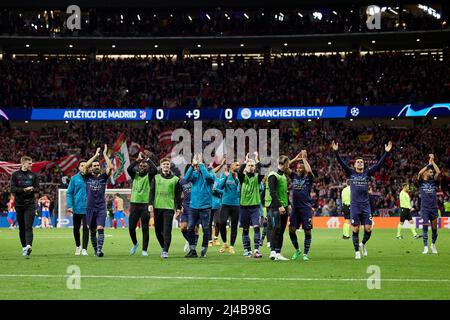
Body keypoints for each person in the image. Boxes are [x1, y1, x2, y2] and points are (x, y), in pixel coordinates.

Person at [332, 140, 392, 260]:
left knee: (368, 228)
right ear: (354, 165)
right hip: (354, 206)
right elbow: (341, 163)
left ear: (364, 165)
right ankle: (356, 252)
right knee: (355, 229)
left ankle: (363, 244)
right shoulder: (351, 173)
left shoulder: (367, 173)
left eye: (361, 162)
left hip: (365, 205)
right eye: (357, 162)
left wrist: (386, 153)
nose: (359, 163)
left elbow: (379, 165)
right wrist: (336, 152)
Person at [81, 145, 113, 258]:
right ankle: (95, 250)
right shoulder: (87, 177)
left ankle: (99, 250)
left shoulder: (103, 177)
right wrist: (95, 155)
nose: (96, 166)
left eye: (97, 165)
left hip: (100, 207)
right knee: (92, 231)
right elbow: (84, 167)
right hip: (89, 207)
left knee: (100, 228)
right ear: (91, 167)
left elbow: (110, 167)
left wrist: (104, 154)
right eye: (94, 165)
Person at [127, 151, 157, 256]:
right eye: (141, 166)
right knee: (131, 228)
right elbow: (128, 169)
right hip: (134, 204)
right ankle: (135, 244)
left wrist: (148, 159)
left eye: (145, 166)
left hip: (145, 205)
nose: (142, 167)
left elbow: (155, 169)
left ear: (147, 168)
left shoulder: (149, 176)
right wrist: (137, 160)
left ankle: (144, 250)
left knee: (145, 228)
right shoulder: (134, 175)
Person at [149, 158, 182, 259]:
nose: (166, 166)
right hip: (157, 207)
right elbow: (152, 191)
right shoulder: (156, 177)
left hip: (168, 208)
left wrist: (178, 207)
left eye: (167, 164)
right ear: (161, 166)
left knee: (167, 230)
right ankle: (164, 246)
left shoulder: (176, 179)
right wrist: (150, 203)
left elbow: (178, 195)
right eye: (164, 164)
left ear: (170, 165)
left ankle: (165, 251)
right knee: (158, 231)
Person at [184, 153, 215, 258]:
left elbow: (207, 178)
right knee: (190, 227)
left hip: (205, 206)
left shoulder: (211, 173)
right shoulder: (195, 174)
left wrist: (201, 165)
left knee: (206, 228)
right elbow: (186, 178)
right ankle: (192, 250)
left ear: (206, 165)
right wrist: (192, 166)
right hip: (194, 206)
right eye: (198, 165)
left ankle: (203, 249)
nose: (198, 167)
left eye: (201, 164)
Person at [10, 156, 40, 258]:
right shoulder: (15, 175)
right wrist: (24, 190)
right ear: (23, 163)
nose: (31, 165)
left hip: (30, 204)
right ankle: (24, 247)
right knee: (21, 227)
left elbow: (37, 189)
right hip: (19, 204)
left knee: (28, 226)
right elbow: (12, 188)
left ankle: (28, 246)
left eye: (31, 163)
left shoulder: (34, 175)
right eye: (29, 163)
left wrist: (31, 189)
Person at [288, 150, 314, 262]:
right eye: (297, 167)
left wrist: (304, 158)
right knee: (291, 230)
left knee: (307, 231)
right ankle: (297, 249)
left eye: (300, 168)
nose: (298, 169)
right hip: (295, 209)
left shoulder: (309, 178)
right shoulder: (293, 176)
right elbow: (284, 167)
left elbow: (309, 170)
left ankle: (305, 253)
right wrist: (296, 158)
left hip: (306, 208)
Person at [238, 152, 265, 259]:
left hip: (254, 208)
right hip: (244, 207)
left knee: (257, 228)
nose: (250, 167)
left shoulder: (257, 178)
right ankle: (247, 250)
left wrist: (257, 160)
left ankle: (256, 250)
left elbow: (262, 171)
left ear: (255, 167)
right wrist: (245, 161)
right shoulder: (242, 178)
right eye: (249, 165)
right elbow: (240, 171)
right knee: (245, 229)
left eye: (252, 165)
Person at [266, 155, 291, 261]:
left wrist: (288, 204)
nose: (288, 166)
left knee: (281, 230)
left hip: (284, 206)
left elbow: (285, 192)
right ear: (285, 164)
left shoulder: (283, 175)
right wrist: (279, 206)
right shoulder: (273, 175)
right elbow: (272, 192)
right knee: (276, 228)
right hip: (275, 206)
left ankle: (278, 252)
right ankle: (272, 251)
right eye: (288, 164)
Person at [417, 154, 441, 254]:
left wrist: (433, 161)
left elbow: (438, 172)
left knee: (435, 229)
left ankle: (433, 245)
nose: (432, 173)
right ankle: (425, 247)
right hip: (425, 208)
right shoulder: (421, 182)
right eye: (430, 172)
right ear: (425, 173)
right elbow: (419, 172)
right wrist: (428, 164)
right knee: (425, 225)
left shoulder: (433, 182)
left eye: (432, 172)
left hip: (434, 208)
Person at [217, 162, 240, 254]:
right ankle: (225, 243)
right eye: (236, 165)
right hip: (225, 203)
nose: (238, 166)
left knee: (234, 226)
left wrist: (236, 179)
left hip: (236, 204)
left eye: (239, 165)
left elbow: (240, 189)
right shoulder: (224, 174)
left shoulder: (240, 175)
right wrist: (226, 177)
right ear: (231, 166)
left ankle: (232, 246)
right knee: (222, 223)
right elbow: (220, 186)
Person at [66, 160, 89, 256]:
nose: (84, 167)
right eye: (82, 165)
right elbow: (69, 193)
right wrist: (70, 206)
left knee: (86, 228)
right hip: (77, 208)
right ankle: (78, 246)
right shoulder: (74, 179)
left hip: (88, 208)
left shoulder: (91, 178)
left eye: (85, 165)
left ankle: (84, 249)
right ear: (79, 168)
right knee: (76, 229)